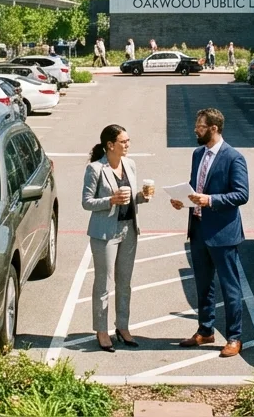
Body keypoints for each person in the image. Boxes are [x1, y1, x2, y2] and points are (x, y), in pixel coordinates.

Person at [169, 108, 249, 358]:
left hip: (223, 233)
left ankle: (234, 337)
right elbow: (196, 187)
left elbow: (241, 194)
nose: (196, 129)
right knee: (203, 286)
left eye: (200, 126)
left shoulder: (234, 157)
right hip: (199, 229)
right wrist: (184, 200)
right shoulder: (197, 154)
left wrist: (209, 200)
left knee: (230, 288)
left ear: (214, 128)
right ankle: (205, 331)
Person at [82, 124, 153, 351]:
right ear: (110, 145)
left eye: (128, 140)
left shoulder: (130, 165)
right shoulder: (95, 169)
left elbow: (131, 198)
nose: (127, 145)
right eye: (123, 142)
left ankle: (122, 327)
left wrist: (142, 196)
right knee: (103, 283)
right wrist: (110, 200)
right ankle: (102, 331)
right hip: (104, 233)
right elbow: (86, 202)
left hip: (128, 230)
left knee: (125, 283)